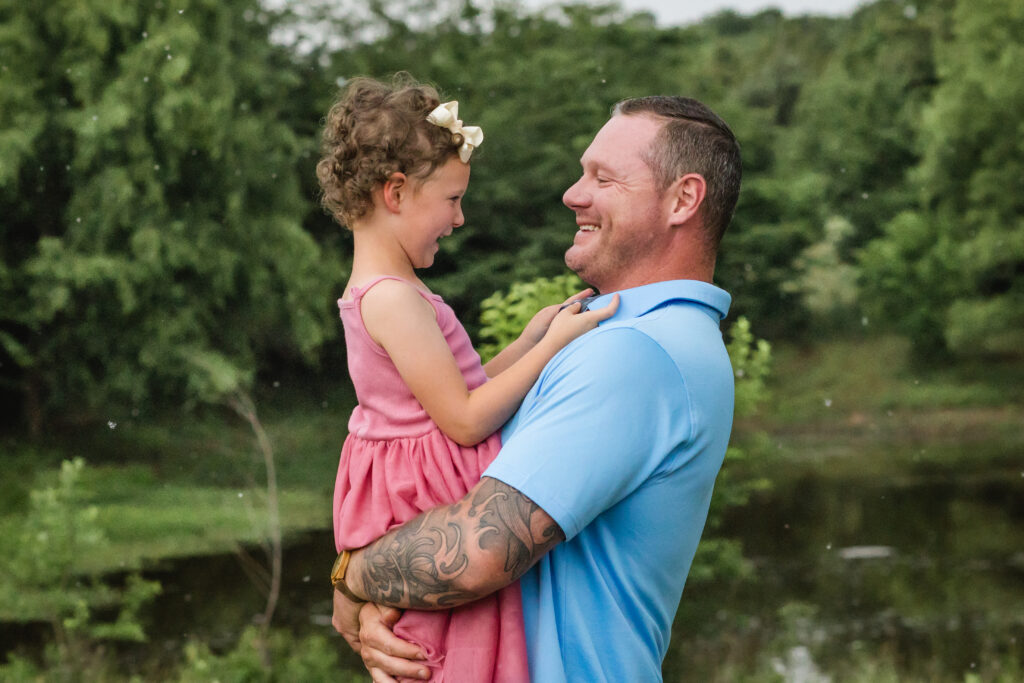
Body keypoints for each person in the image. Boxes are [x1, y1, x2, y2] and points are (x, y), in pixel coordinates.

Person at [332, 94, 742, 682]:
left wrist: (352, 578)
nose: (573, 194)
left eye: (603, 178)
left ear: (683, 200)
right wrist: (394, 610)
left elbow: (476, 553)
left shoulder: (637, 352)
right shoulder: (623, 333)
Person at [317, 75, 619, 683]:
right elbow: (464, 419)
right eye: (452, 199)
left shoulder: (389, 291)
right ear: (396, 192)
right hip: (429, 489)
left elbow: (466, 386)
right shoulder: (393, 300)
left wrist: (530, 339)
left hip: (418, 480)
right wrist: (554, 348)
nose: (459, 218)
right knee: (455, 648)